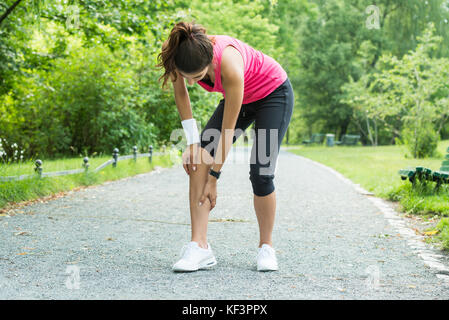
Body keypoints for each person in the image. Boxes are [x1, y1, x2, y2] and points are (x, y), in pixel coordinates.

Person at [157, 21, 294, 272]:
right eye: (187, 77)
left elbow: (227, 131)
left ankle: (266, 247)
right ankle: (200, 247)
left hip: (273, 94)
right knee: (198, 157)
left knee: (261, 171)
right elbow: (181, 94)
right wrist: (192, 143)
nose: (190, 82)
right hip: (243, 96)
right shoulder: (176, 51)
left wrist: (214, 177)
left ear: (210, 61)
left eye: (197, 77)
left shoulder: (229, 64)